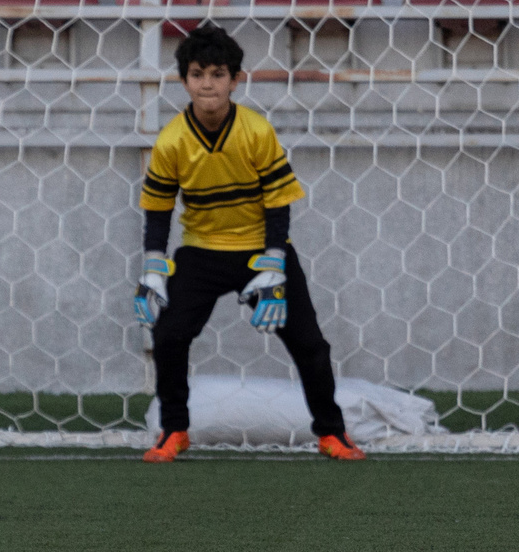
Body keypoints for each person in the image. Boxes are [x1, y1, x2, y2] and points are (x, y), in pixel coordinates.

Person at [134, 24, 363, 464]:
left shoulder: (256, 131)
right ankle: (175, 430)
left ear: (235, 80)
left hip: (261, 249)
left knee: (311, 345)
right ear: (184, 80)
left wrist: (274, 262)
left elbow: (278, 202)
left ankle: (332, 434)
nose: (208, 84)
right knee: (169, 334)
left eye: (218, 74)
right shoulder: (171, 141)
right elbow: (159, 207)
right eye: (198, 73)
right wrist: (152, 267)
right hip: (201, 250)